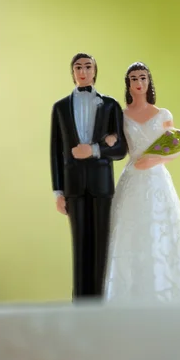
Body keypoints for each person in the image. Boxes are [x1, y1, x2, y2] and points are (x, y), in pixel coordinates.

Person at [103, 61, 180, 302]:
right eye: (134, 79)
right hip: (132, 177)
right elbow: (119, 143)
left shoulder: (163, 115)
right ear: (128, 84)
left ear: (149, 82)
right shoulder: (121, 115)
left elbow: (176, 146)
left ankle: (163, 289)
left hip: (157, 179)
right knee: (128, 230)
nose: (139, 83)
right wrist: (109, 140)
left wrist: (155, 159)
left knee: (159, 228)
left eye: (143, 78)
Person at [50, 52, 128, 301]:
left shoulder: (110, 106)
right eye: (78, 67)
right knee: (79, 244)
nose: (82, 72)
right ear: (72, 73)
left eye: (87, 67)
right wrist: (58, 191)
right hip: (74, 186)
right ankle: (80, 303)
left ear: (95, 71)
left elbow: (120, 149)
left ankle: (101, 300)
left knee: (102, 244)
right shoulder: (61, 108)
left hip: (101, 184)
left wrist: (95, 149)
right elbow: (55, 151)